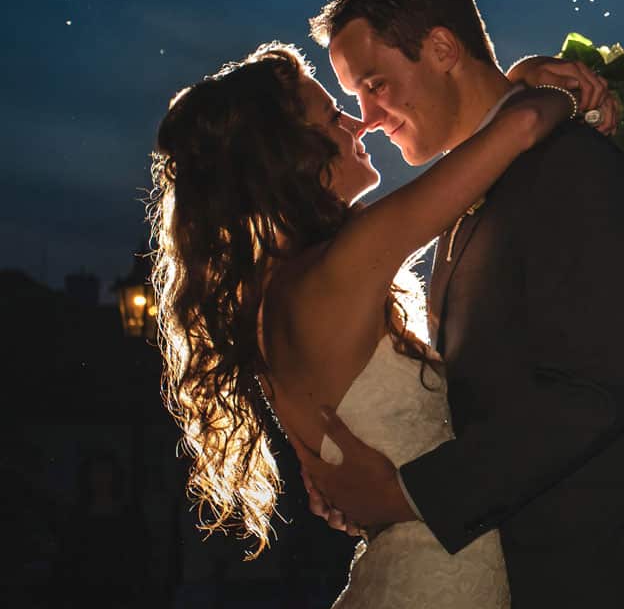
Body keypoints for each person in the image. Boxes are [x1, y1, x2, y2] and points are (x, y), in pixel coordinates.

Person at [292, 0, 624, 606]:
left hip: (594, 583)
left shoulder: (569, 167)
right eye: (354, 98)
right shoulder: (477, 192)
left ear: (443, 48)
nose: (366, 115)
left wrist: (404, 495)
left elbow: (593, 391)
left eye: (374, 83)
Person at [150, 38, 586, 606]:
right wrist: (539, 82)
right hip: (444, 580)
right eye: (332, 114)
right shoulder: (346, 264)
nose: (357, 123)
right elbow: (526, 121)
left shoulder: (266, 306)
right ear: (289, 153)